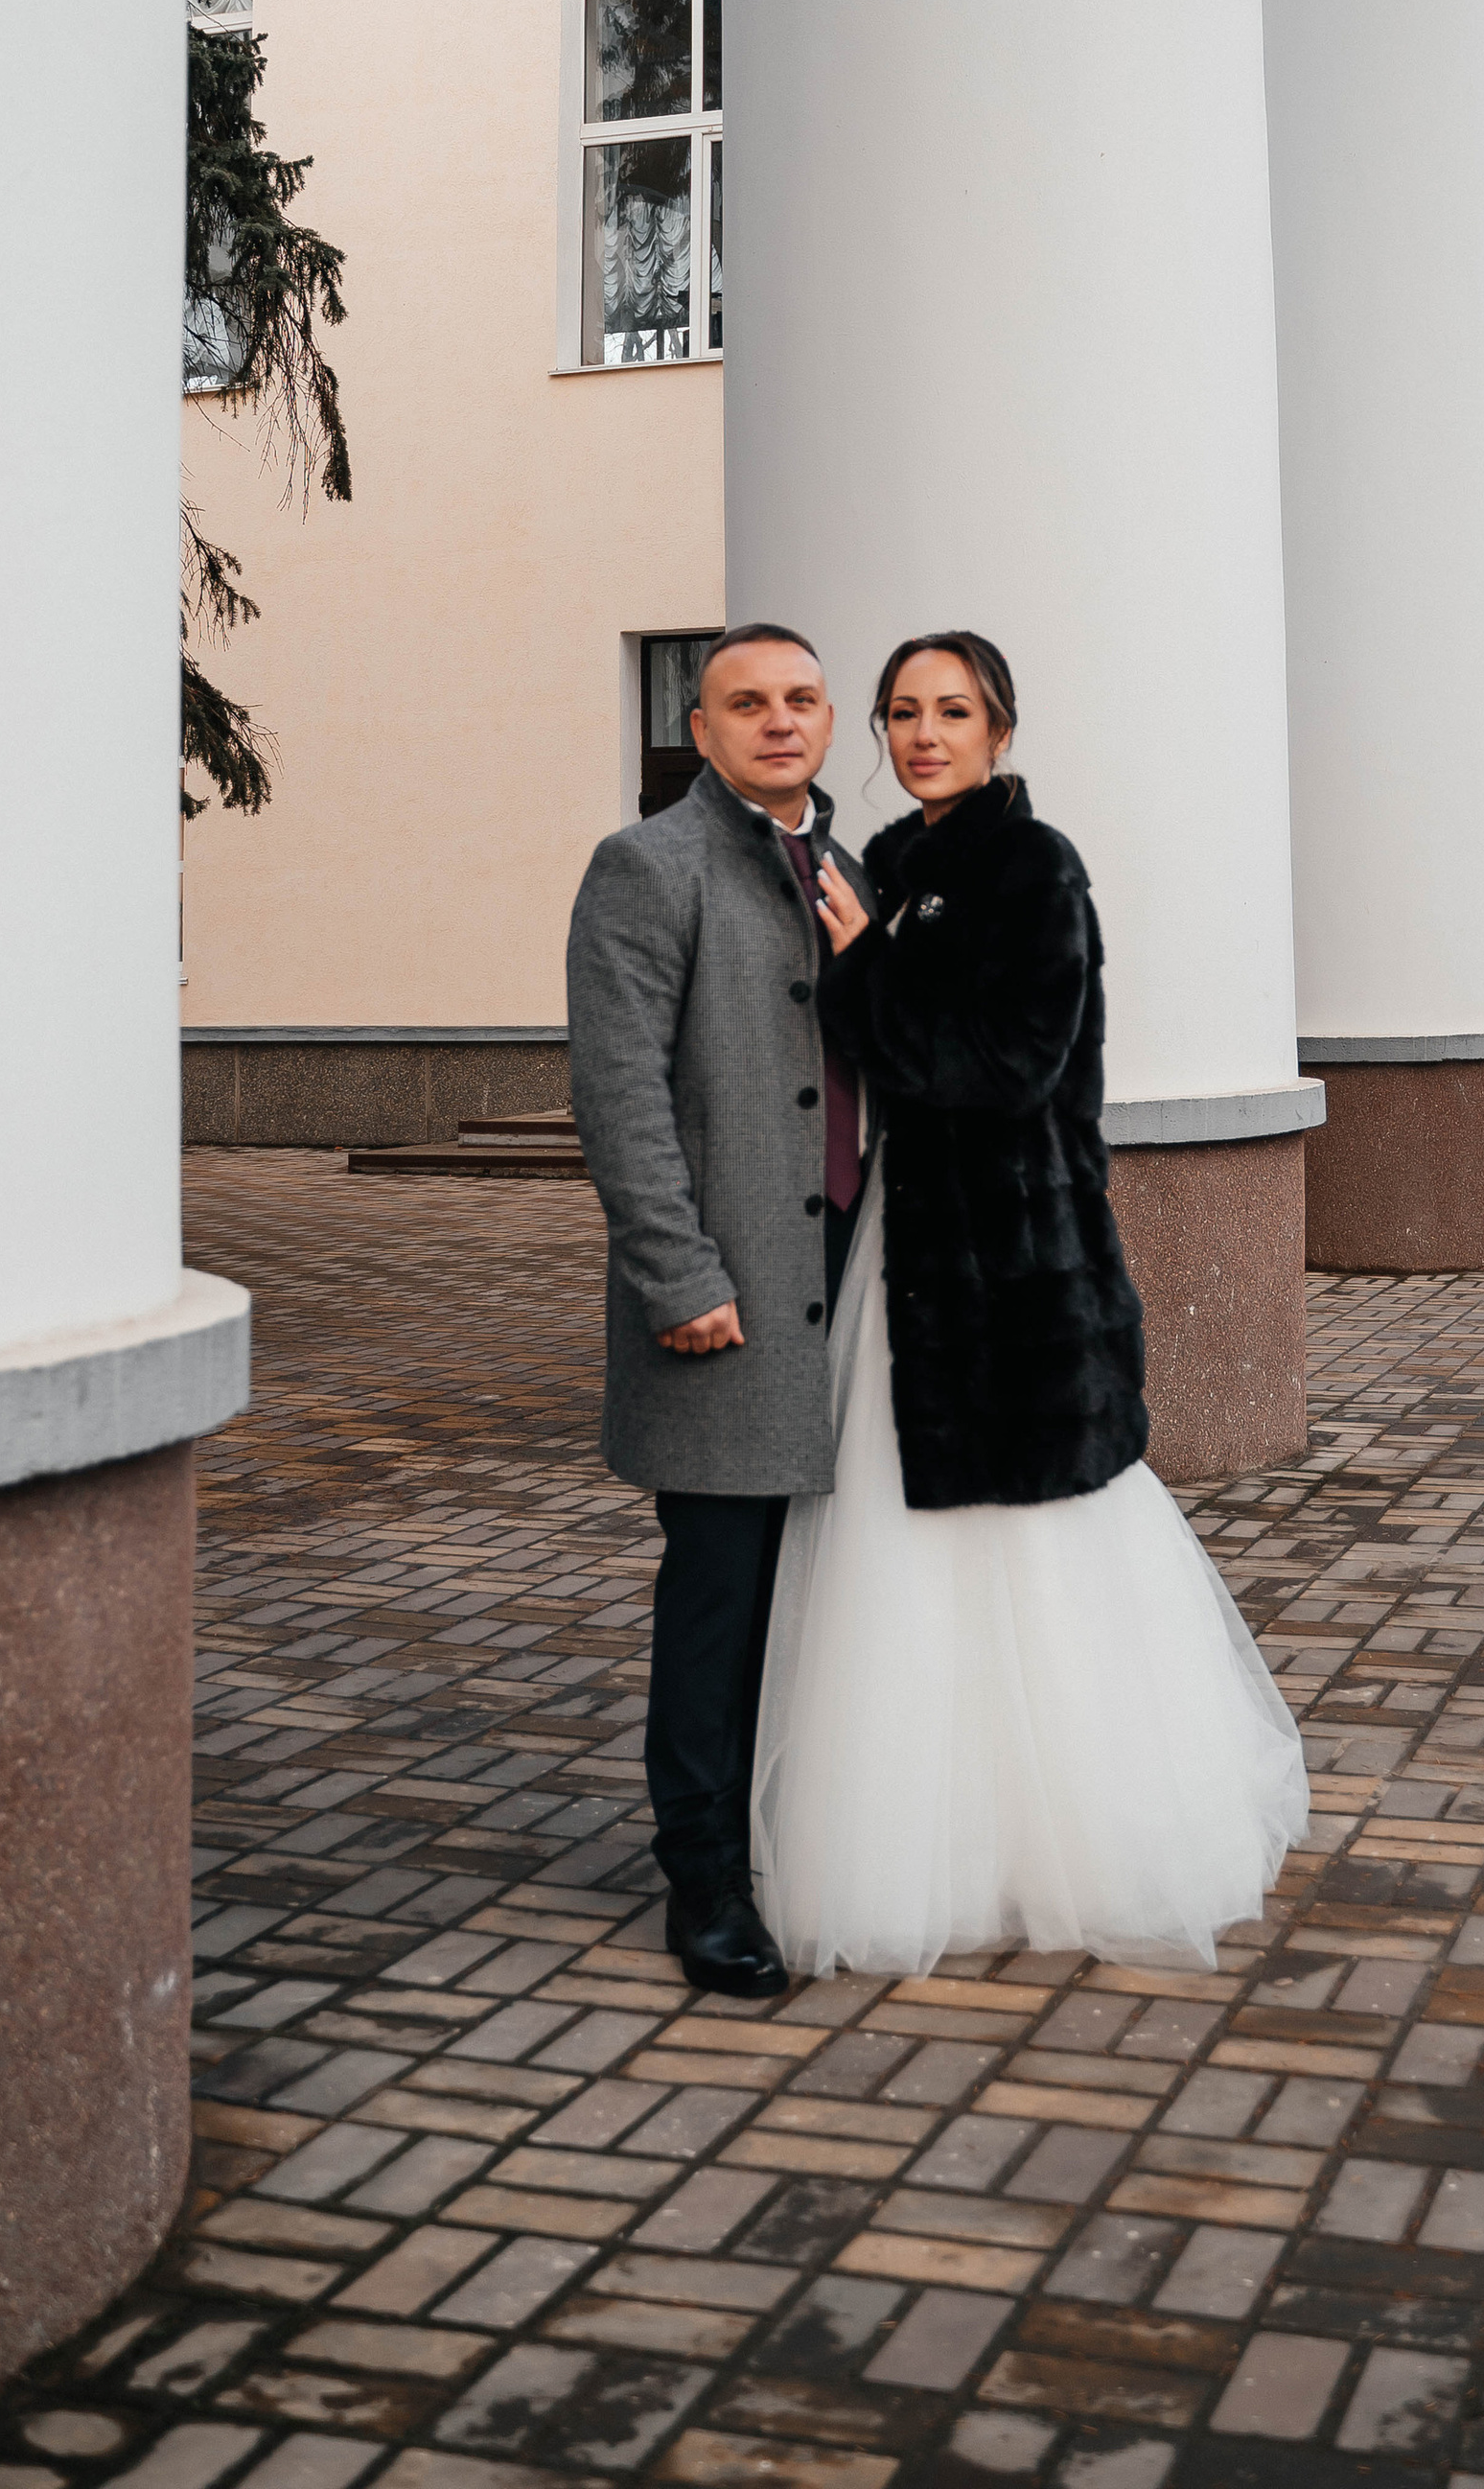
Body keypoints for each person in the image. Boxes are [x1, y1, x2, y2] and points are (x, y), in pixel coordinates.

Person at [751, 629, 1308, 1972]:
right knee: (906, 1548)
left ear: (1001, 730)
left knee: (1042, 1547)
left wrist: (868, 967)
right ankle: (942, 1841)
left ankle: (1083, 1838)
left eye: (951, 711)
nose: (923, 734)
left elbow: (1006, 1064)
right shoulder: (889, 868)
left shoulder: (1031, 868)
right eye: (901, 713)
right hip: (909, 1256)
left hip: (1012, 1264)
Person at [566, 621, 875, 1999]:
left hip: (853, 1302)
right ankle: (704, 1886)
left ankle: (798, 1839)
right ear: (700, 729)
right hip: (730, 1306)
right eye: (745, 702)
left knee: (825, 1597)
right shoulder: (651, 867)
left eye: (802, 698)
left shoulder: (857, 871)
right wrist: (679, 1277)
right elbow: (620, 1093)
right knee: (720, 1604)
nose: (777, 720)